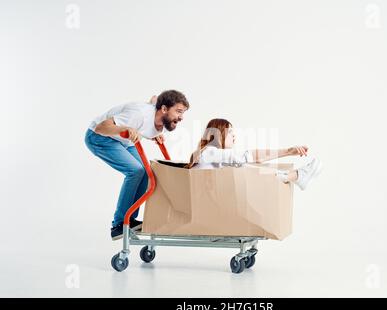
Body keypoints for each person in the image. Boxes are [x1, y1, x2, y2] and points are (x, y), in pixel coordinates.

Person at [85, 90, 190, 240]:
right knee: (135, 171)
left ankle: (130, 219)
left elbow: (154, 99)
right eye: (178, 111)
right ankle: (119, 224)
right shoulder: (139, 114)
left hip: (124, 141)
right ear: (164, 109)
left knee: (148, 174)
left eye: (183, 113)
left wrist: (154, 133)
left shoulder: (158, 115)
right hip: (100, 137)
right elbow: (100, 128)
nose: (181, 117)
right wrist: (124, 128)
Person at [187, 118, 322, 189]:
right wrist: (288, 151)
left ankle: (294, 176)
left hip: (210, 195)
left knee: (243, 168)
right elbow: (250, 156)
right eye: (230, 132)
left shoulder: (206, 154)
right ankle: (296, 176)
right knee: (246, 168)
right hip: (208, 199)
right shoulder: (209, 152)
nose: (234, 136)